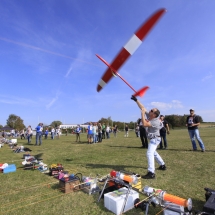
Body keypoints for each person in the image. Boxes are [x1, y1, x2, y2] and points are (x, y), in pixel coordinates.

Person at [131, 95, 166, 179]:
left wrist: (142, 114)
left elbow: (144, 124)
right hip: (153, 138)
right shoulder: (150, 116)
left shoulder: (156, 121)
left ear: (154, 114)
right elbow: (142, 107)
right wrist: (136, 100)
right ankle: (162, 165)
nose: (149, 110)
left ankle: (151, 173)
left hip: (155, 139)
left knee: (149, 153)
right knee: (154, 153)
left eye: (151, 110)